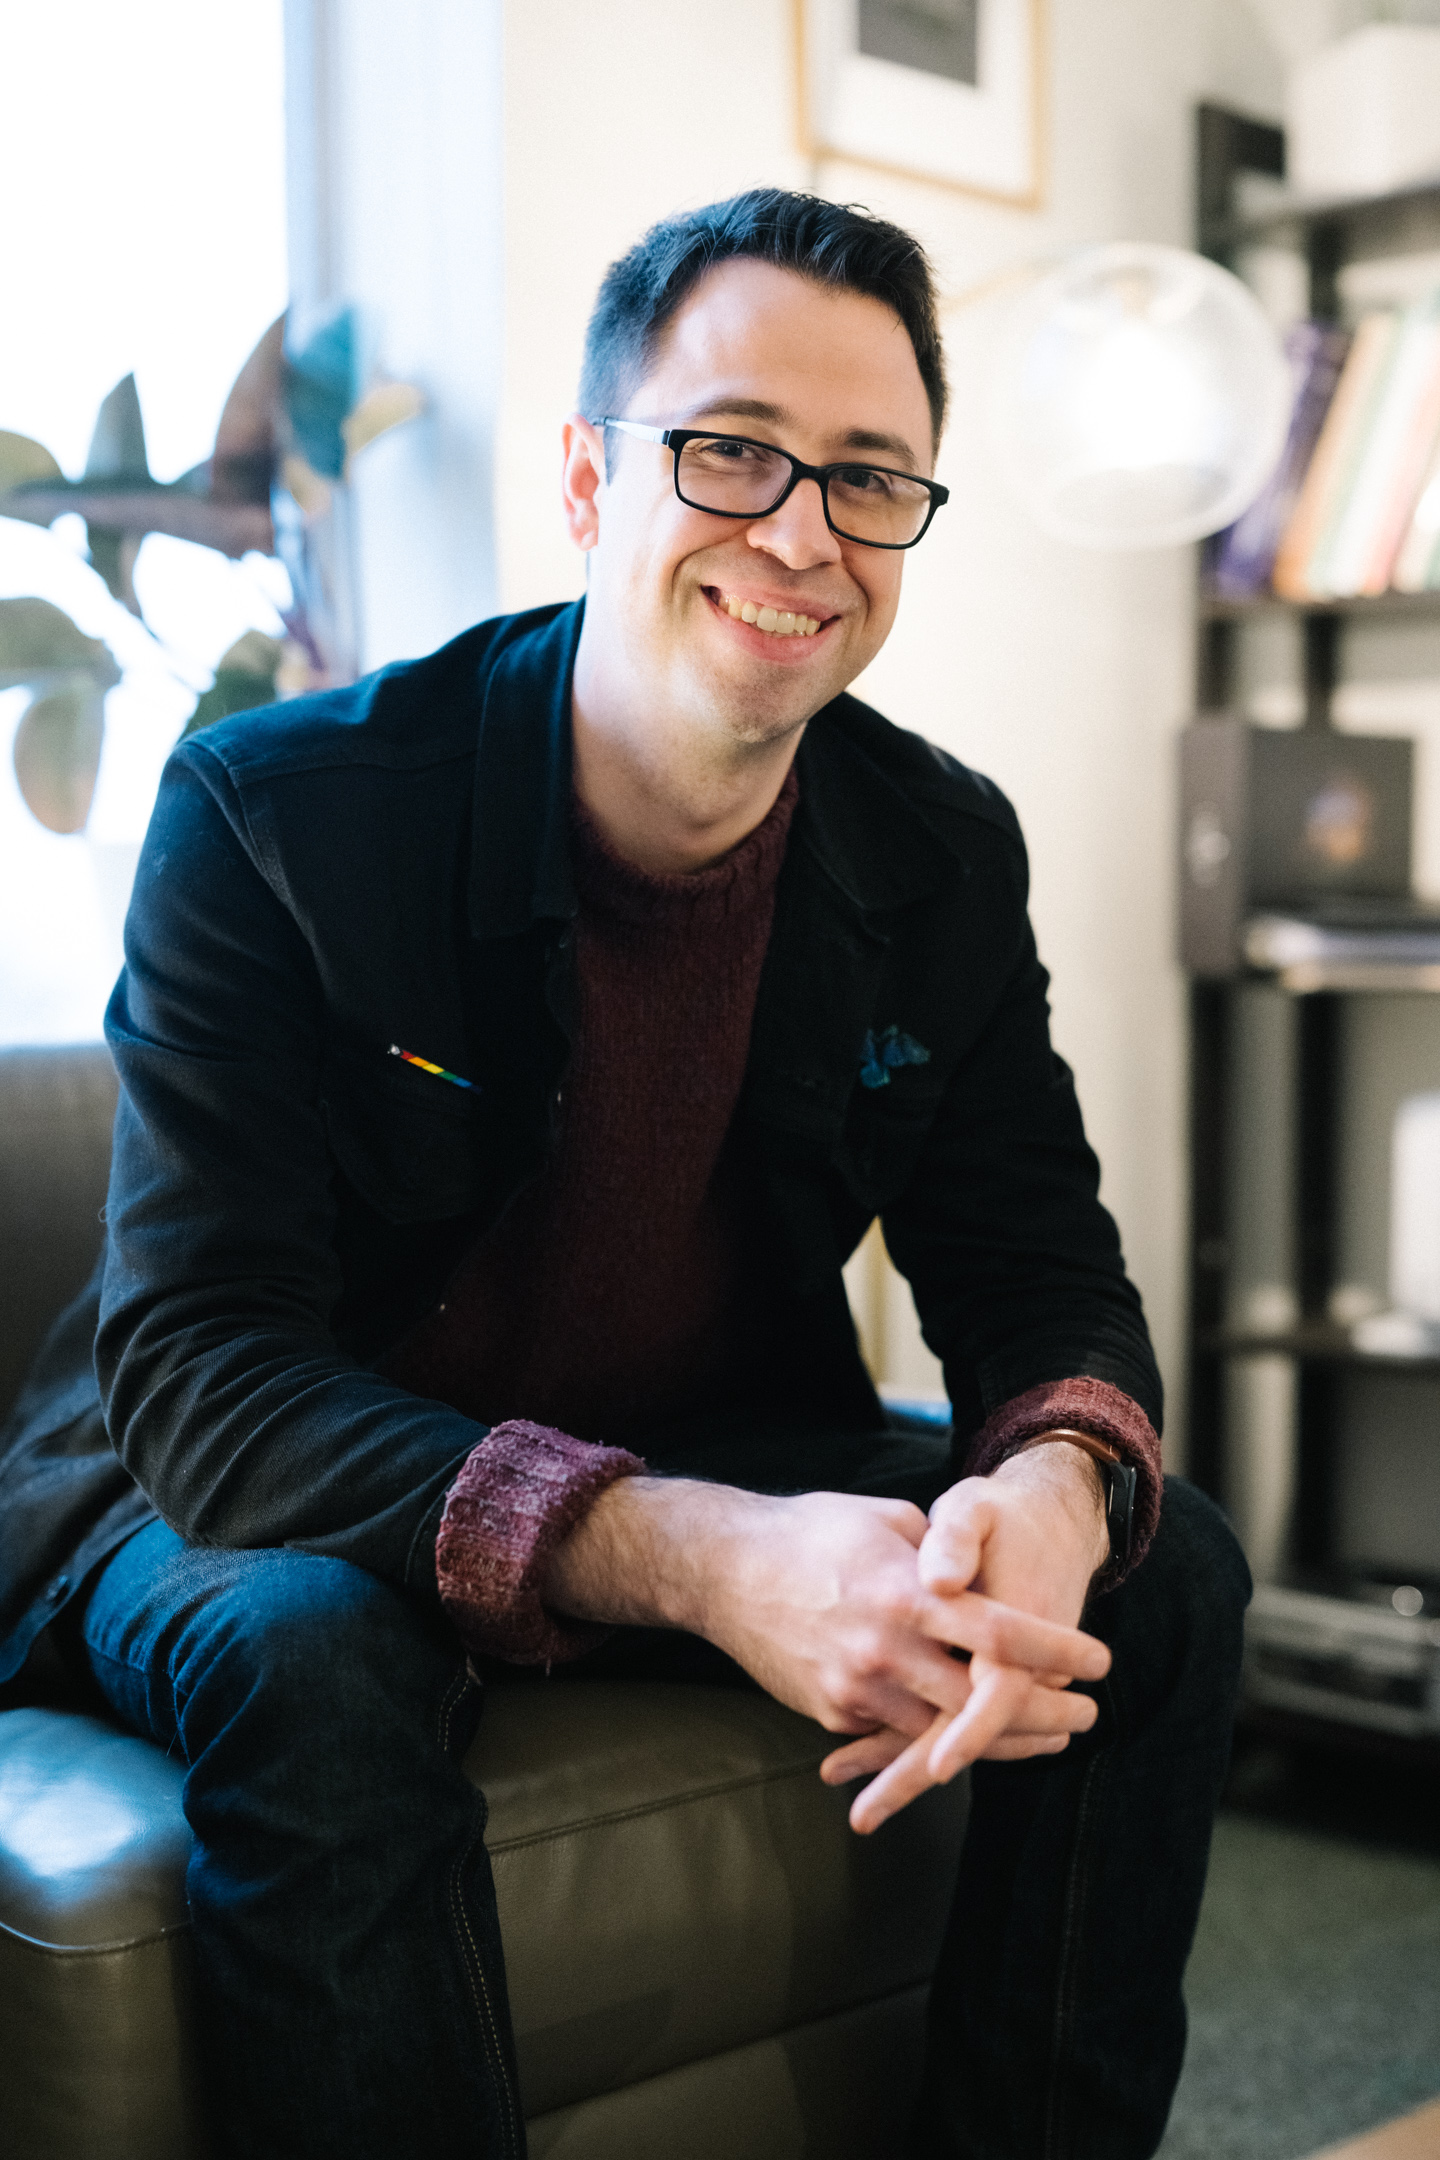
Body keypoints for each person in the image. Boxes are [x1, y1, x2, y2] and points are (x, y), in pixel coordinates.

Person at [0, 189, 1250, 2158]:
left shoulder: (939, 848)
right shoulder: (280, 811)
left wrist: (1050, 1482)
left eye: (869, 480)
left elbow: (1041, 1270)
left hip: (701, 1424)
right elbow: (203, 1374)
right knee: (316, 1659)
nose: (800, 535)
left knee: (1164, 1577)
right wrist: (698, 1551)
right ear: (590, 475)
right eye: (731, 449)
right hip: (247, 1485)